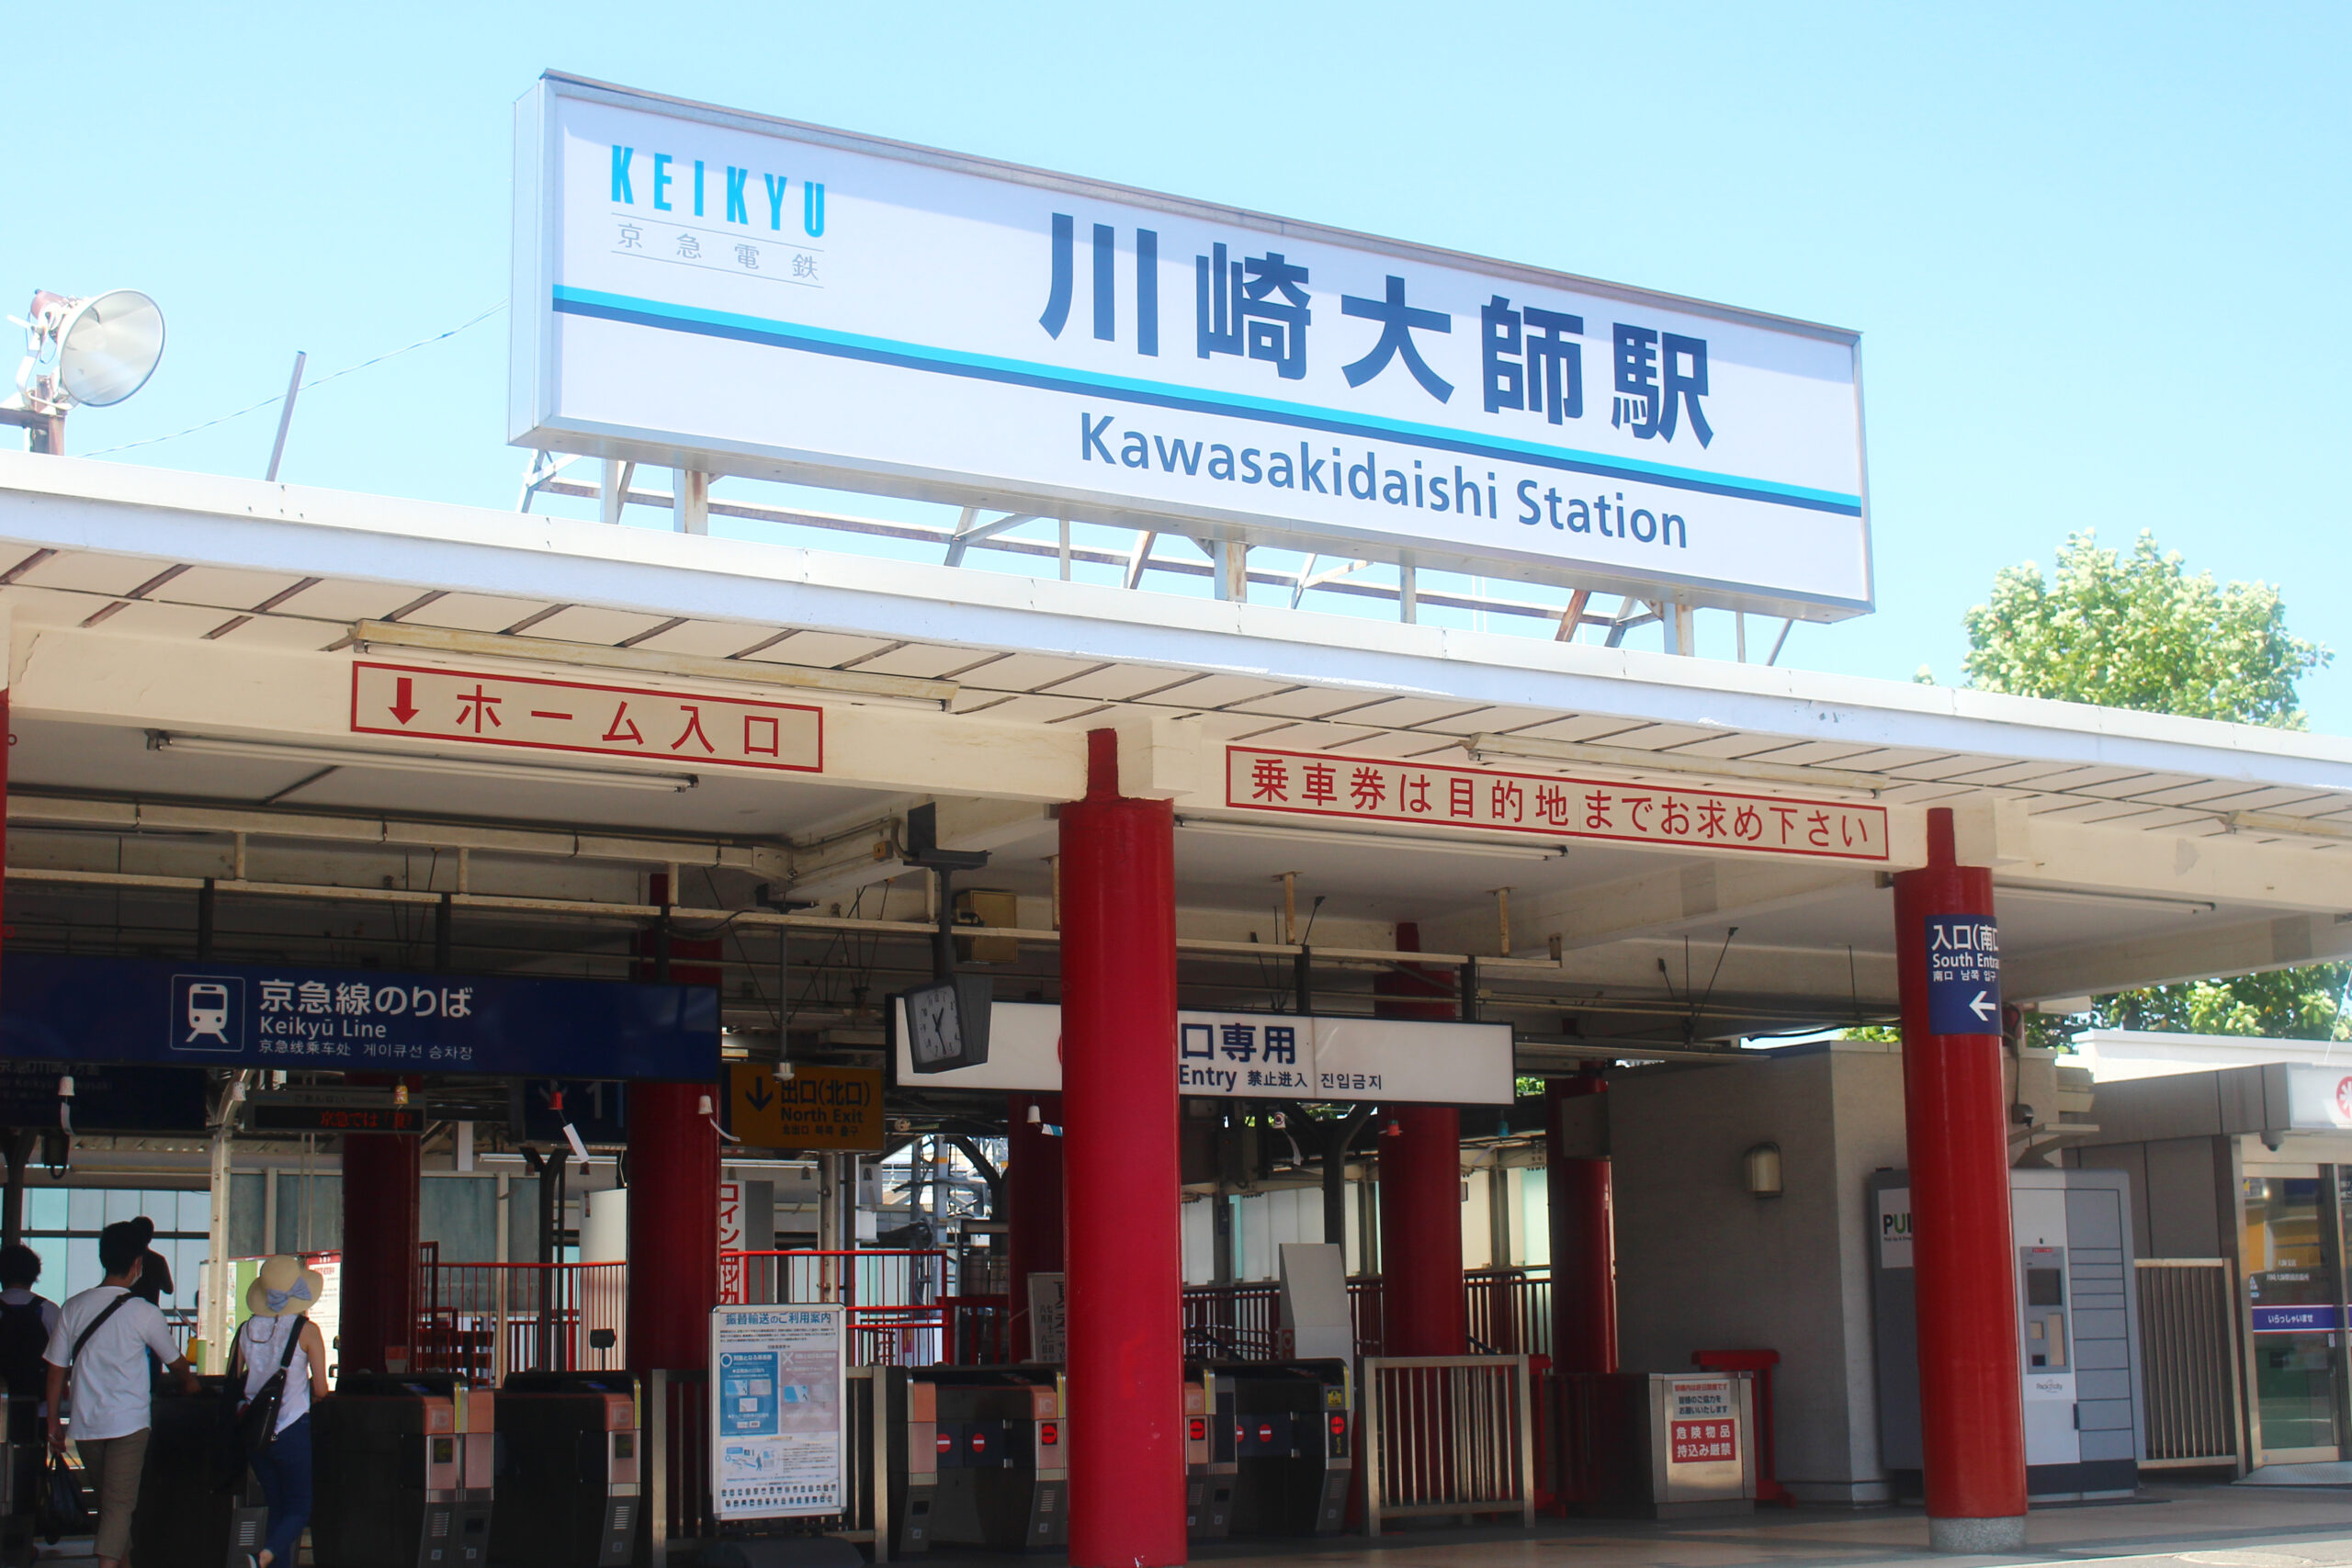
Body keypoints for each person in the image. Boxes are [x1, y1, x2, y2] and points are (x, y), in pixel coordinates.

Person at [43, 1220, 197, 1568]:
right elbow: (175, 1362)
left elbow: (55, 1370)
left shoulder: (74, 1307)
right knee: (119, 1505)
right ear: (137, 1264)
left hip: (85, 1426)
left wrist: (54, 1421)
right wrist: (190, 1384)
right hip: (129, 1425)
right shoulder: (144, 1312)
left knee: (111, 1504)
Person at [232, 1258, 327, 1568]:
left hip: (254, 1434)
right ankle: (265, 1556)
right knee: (300, 1507)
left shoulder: (245, 1330)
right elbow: (322, 1390)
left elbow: (233, 1379)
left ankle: (269, 1560)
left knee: (277, 1505)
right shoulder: (307, 1331)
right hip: (292, 1430)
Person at [0, 1246, 57, 1538]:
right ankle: (26, 1535)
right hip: (38, 1408)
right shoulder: (48, 1310)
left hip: (1, 1411)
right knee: (31, 1472)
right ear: (35, 1276)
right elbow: (59, 1364)